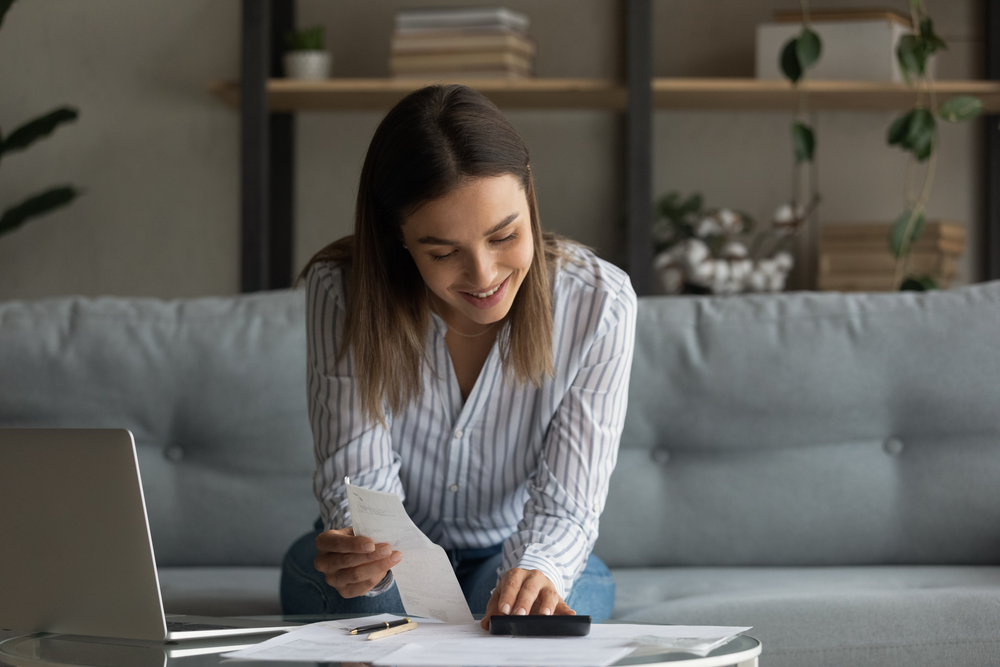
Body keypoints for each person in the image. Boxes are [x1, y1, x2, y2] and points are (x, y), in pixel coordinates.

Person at [280, 84, 636, 628]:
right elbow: (360, 487)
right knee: (374, 605)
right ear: (397, 237)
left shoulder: (599, 304)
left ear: (529, 198)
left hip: (512, 544)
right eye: (443, 252)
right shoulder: (342, 293)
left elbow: (566, 508)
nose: (484, 276)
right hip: (392, 556)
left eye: (504, 235)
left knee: (529, 616)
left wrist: (535, 572)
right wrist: (365, 554)